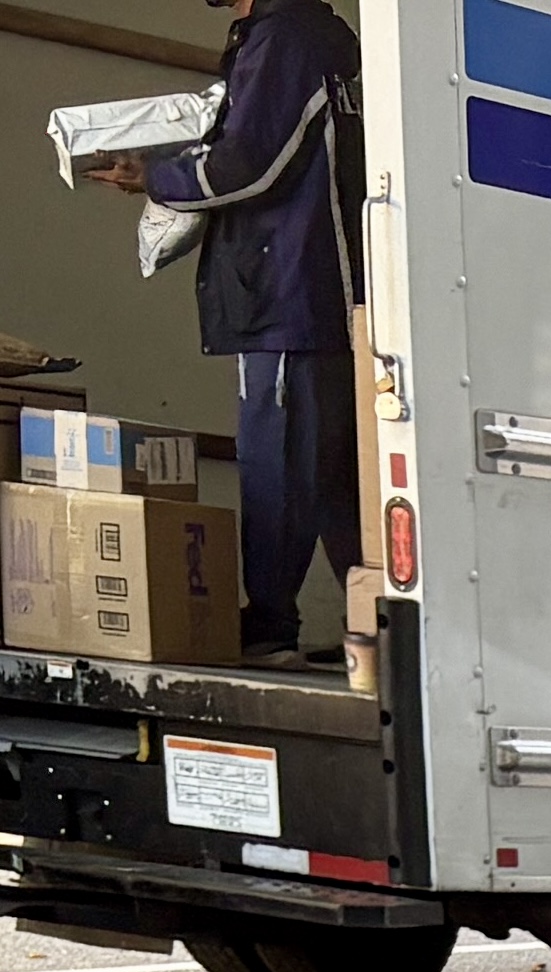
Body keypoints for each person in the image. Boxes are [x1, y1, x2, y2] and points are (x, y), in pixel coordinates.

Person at [80, 0, 361, 667]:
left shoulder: (286, 37)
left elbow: (250, 163)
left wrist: (156, 176)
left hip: (289, 291)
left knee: (281, 462)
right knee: (337, 470)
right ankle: (376, 629)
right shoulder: (310, 33)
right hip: (312, 290)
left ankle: (269, 627)